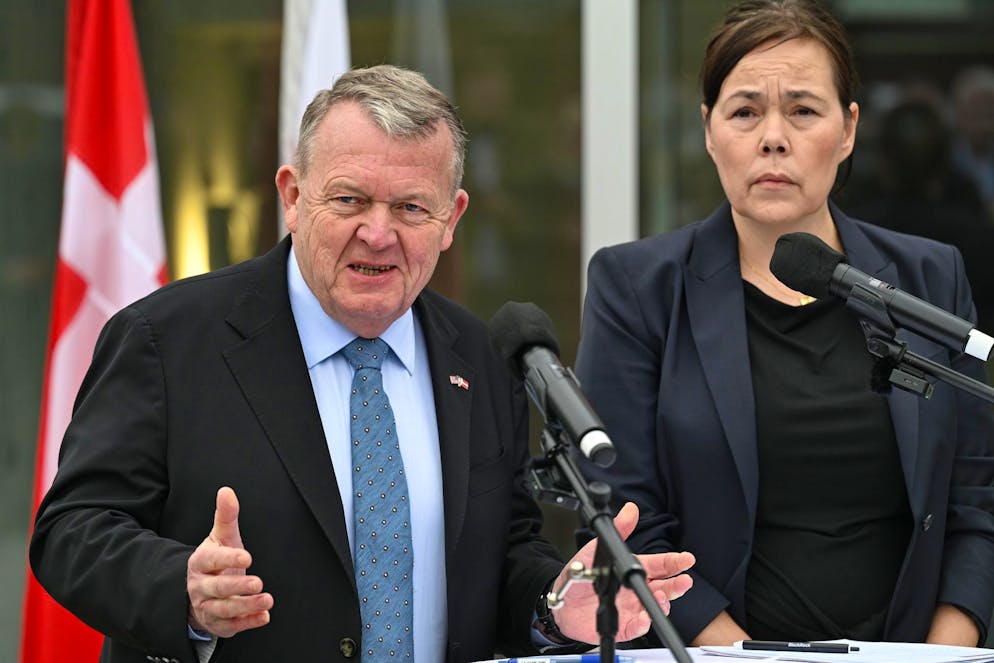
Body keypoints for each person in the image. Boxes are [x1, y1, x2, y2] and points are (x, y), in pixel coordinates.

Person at [29, 65, 694, 663]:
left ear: (452, 217)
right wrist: (182, 588)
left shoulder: (481, 357)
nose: (378, 233)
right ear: (293, 195)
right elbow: (73, 529)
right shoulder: (167, 340)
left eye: (410, 207)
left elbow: (502, 552)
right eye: (350, 200)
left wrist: (553, 604)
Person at [574, 0, 994, 649]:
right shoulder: (638, 289)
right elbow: (621, 515)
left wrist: (940, 650)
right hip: (713, 652)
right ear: (709, 129)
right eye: (744, 111)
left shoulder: (928, 277)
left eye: (803, 110)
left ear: (848, 129)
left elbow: (976, 496)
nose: (774, 137)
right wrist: (737, 654)